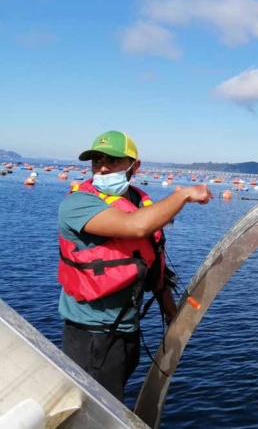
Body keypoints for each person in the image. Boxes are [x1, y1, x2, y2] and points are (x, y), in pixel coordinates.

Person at [58, 130, 213, 401]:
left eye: (113, 161)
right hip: (92, 335)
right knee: (97, 407)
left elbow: (150, 255)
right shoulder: (78, 204)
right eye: (97, 160)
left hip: (127, 330)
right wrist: (183, 195)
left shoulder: (138, 202)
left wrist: (167, 304)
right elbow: (137, 226)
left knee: (115, 398)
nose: (103, 167)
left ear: (134, 166)